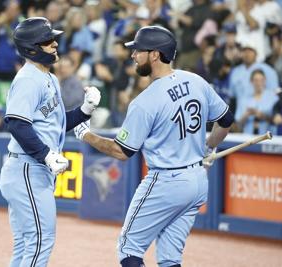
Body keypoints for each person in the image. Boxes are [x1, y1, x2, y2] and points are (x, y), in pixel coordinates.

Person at [74, 25, 233, 267]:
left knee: (128, 249)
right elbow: (226, 121)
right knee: (169, 258)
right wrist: (209, 146)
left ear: (155, 54)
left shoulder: (145, 101)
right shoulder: (195, 80)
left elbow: (122, 151)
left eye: (138, 51)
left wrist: (86, 135)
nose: (133, 55)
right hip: (198, 181)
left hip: (166, 182)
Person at [0, 17, 100, 267]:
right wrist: (45, 154)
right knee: (40, 241)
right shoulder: (28, 79)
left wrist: (84, 111)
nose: (55, 44)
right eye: (47, 40)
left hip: (31, 169)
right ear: (31, 47)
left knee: (26, 243)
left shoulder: (49, 78)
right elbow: (16, 123)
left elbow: (53, 124)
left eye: (53, 38)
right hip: (27, 169)